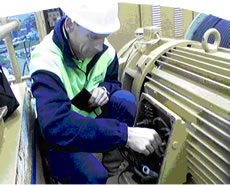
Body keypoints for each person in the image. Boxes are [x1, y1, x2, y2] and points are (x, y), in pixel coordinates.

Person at [29, 1, 162, 184]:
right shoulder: (46, 60)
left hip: (88, 115)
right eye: (93, 37)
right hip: (62, 136)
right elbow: (55, 125)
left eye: (104, 36)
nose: (100, 46)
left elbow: (114, 82)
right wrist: (125, 135)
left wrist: (104, 89)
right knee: (92, 175)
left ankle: (112, 167)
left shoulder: (106, 52)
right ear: (70, 24)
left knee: (125, 101)